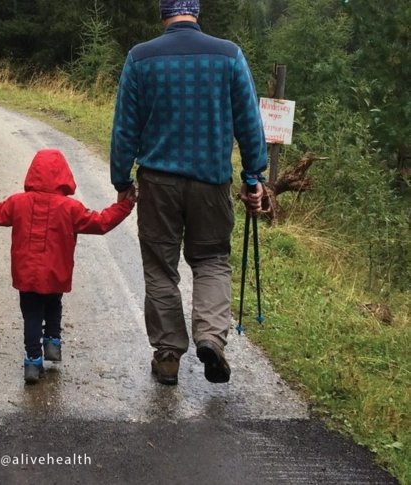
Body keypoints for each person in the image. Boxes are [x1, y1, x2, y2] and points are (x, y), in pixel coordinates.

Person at [109, 0, 266, 386]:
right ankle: (210, 337)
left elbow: (125, 128)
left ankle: (167, 356)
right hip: (211, 181)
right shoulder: (229, 55)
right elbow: (249, 122)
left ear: (163, 14)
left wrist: (122, 181)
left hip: (158, 183)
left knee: (160, 267)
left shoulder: (140, 58)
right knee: (211, 259)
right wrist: (253, 177)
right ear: (196, 12)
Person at [0, 149, 134, 384]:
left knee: (31, 314)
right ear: (64, 176)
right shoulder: (71, 208)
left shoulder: (18, 202)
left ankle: (33, 361)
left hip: (26, 274)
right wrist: (125, 206)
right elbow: (100, 222)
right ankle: (53, 342)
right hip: (56, 273)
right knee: (54, 304)